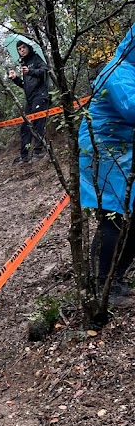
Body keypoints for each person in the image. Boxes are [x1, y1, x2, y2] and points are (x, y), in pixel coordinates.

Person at [79, 24, 135, 307]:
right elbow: (131, 107)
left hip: (123, 152)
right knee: (114, 217)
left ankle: (116, 277)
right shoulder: (116, 71)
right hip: (104, 152)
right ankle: (103, 285)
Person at [8, 39, 49, 164]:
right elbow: (26, 85)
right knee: (25, 127)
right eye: (19, 49)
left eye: (23, 47)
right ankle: (24, 156)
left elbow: (45, 71)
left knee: (38, 124)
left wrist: (30, 71)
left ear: (28, 47)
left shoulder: (37, 59)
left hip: (40, 96)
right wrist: (15, 79)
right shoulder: (24, 64)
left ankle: (38, 152)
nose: (22, 50)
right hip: (30, 99)